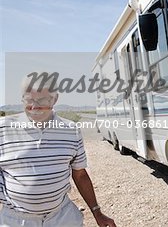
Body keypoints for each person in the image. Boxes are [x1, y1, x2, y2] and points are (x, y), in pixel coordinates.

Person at [0, 73, 116, 227]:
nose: (34, 107)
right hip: (16, 220)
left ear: (55, 99)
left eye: (41, 100)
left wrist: (97, 212)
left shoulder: (71, 130)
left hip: (62, 217)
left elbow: (80, 174)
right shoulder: (3, 129)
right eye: (29, 100)